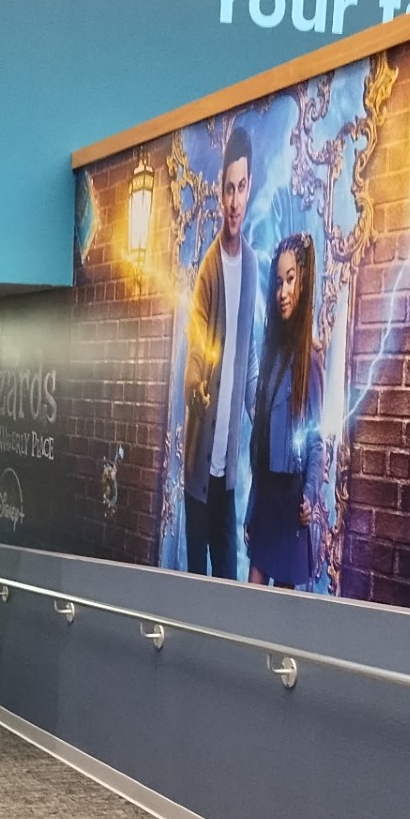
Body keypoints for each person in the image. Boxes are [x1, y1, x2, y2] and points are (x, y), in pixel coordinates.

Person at [182, 125, 258, 578]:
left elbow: (248, 364)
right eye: (228, 189)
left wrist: (264, 418)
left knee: (228, 580)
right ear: (219, 192)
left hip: (226, 476)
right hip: (198, 477)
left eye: (241, 188)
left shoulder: (251, 266)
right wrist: (196, 389)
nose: (234, 201)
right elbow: (197, 351)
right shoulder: (209, 271)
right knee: (196, 584)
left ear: (249, 189)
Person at [245, 233, 325, 589]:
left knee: (280, 609)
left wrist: (309, 496)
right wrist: (252, 507)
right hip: (267, 496)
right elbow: (260, 443)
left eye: (290, 279)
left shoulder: (311, 361)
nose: (283, 291)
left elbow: (316, 442)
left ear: (303, 283)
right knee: (251, 601)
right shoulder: (271, 355)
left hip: (292, 502)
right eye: (278, 282)